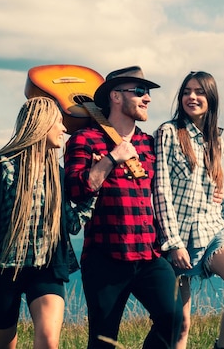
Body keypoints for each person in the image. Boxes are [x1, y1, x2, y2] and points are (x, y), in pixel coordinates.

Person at [64, 66, 183, 349]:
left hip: (148, 253)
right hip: (106, 257)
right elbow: (75, 190)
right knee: (104, 341)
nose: (147, 99)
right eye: (140, 91)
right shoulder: (84, 140)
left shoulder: (149, 143)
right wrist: (112, 158)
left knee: (174, 318)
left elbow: (165, 190)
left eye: (148, 93)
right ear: (116, 97)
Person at [0, 96, 81, 349]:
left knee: (48, 342)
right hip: (1, 273)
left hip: (45, 268)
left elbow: (72, 224)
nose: (64, 129)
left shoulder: (56, 174)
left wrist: (95, 189)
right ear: (42, 124)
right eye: (59, 122)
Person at [153, 71, 224, 349]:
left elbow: (214, 193)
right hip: (179, 235)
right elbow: (160, 189)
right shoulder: (168, 133)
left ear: (211, 99)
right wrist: (173, 243)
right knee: (180, 325)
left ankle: (221, 347)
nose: (192, 97)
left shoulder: (216, 141)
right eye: (186, 92)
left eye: (199, 92)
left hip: (212, 230)